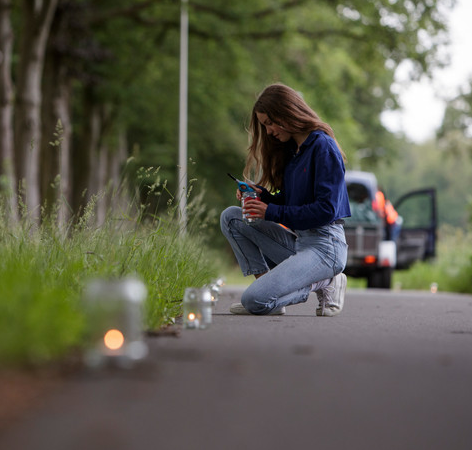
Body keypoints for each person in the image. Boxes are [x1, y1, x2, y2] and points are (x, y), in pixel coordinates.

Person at [220, 83, 351, 317]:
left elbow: (326, 210)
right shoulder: (293, 152)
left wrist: (269, 211)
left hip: (326, 247)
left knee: (253, 300)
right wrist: (264, 196)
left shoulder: (323, 147)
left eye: (270, 122)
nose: (268, 131)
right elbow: (292, 202)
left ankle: (326, 282)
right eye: (264, 125)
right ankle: (270, 295)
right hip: (300, 242)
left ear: (287, 113)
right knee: (231, 217)